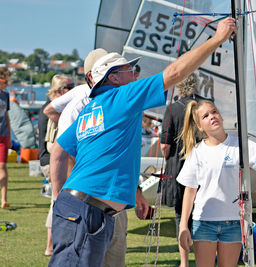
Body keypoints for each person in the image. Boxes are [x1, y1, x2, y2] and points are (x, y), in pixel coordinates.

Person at [49, 17, 237, 266]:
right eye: (130, 70)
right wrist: (217, 39)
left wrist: (58, 197)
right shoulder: (121, 96)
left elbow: (59, 151)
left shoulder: (91, 109)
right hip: (86, 212)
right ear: (113, 78)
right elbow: (175, 73)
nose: (136, 74)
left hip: (84, 209)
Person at [50, 48, 139, 267]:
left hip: (106, 205)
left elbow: (118, 154)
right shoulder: (80, 106)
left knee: (113, 257)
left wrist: (137, 192)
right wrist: (60, 197)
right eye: (129, 69)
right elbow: (61, 153)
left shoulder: (119, 100)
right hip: (85, 202)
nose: (135, 74)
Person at [177, 100, 256, 267]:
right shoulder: (197, 152)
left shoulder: (241, 145)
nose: (212, 116)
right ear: (200, 127)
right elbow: (190, 190)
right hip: (203, 221)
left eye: (214, 112)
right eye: (205, 116)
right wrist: (183, 225)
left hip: (233, 222)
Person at [160, 73, 204, 267]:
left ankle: (184, 263)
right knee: (205, 216)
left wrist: (167, 158)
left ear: (179, 87)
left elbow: (165, 146)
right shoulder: (206, 106)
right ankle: (206, 259)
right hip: (204, 165)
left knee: (182, 216)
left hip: (178, 166)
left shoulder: (172, 109)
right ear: (196, 85)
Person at [38, 74, 73, 256]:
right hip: (51, 160)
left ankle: (53, 245)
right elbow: (53, 143)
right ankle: (51, 246)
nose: (72, 89)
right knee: (57, 200)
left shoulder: (48, 107)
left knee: (57, 199)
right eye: (69, 86)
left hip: (46, 159)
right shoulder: (53, 110)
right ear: (60, 90)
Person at [0, 67, 12, 209]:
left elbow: (7, 117)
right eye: (4, 81)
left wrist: (9, 136)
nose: (6, 84)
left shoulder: (6, 95)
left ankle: (4, 199)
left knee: (3, 166)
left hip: (3, 135)